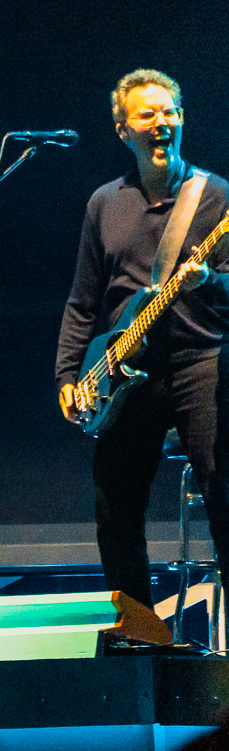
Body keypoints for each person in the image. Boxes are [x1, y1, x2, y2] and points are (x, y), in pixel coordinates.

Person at [56, 69, 229, 609]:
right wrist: (68, 375)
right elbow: (84, 300)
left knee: (223, 495)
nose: (161, 123)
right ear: (122, 130)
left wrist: (212, 281)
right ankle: (138, 633)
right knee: (116, 507)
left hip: (201, 361)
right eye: (147, 115)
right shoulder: (104, 204)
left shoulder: (215, 195)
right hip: (126, 370)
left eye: (169, 112)